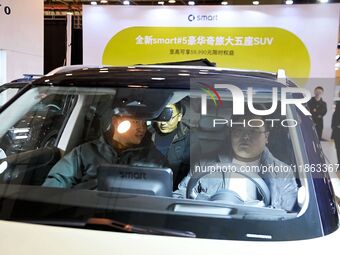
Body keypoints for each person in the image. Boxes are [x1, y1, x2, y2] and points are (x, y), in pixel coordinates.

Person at [174, 111, 298, 212]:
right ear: (231, 133)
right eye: (239, 130)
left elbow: (285, 214)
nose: (245, 137)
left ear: (266, 137)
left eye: (254, 131)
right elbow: (180, 195)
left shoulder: (283, 172)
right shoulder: (205, 163)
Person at [43, 114, 166, 188]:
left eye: (145, 123)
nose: (142, 128)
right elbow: (58, 180)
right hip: (84, 217)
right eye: (136, 121)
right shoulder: (84, 152)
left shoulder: (154, 160)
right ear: (116, 122)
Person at [153, 103, 190, 189]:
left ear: (179, 116)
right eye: (160, 117)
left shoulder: (189, 139)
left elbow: (188, 175)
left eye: (168, 118)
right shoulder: (146, 133)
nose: (163, 123)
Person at [331, 94, 340, 166]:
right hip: (337, 130)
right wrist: (334, 126)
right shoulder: (338, 104)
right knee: (338, 147)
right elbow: (335, 116)